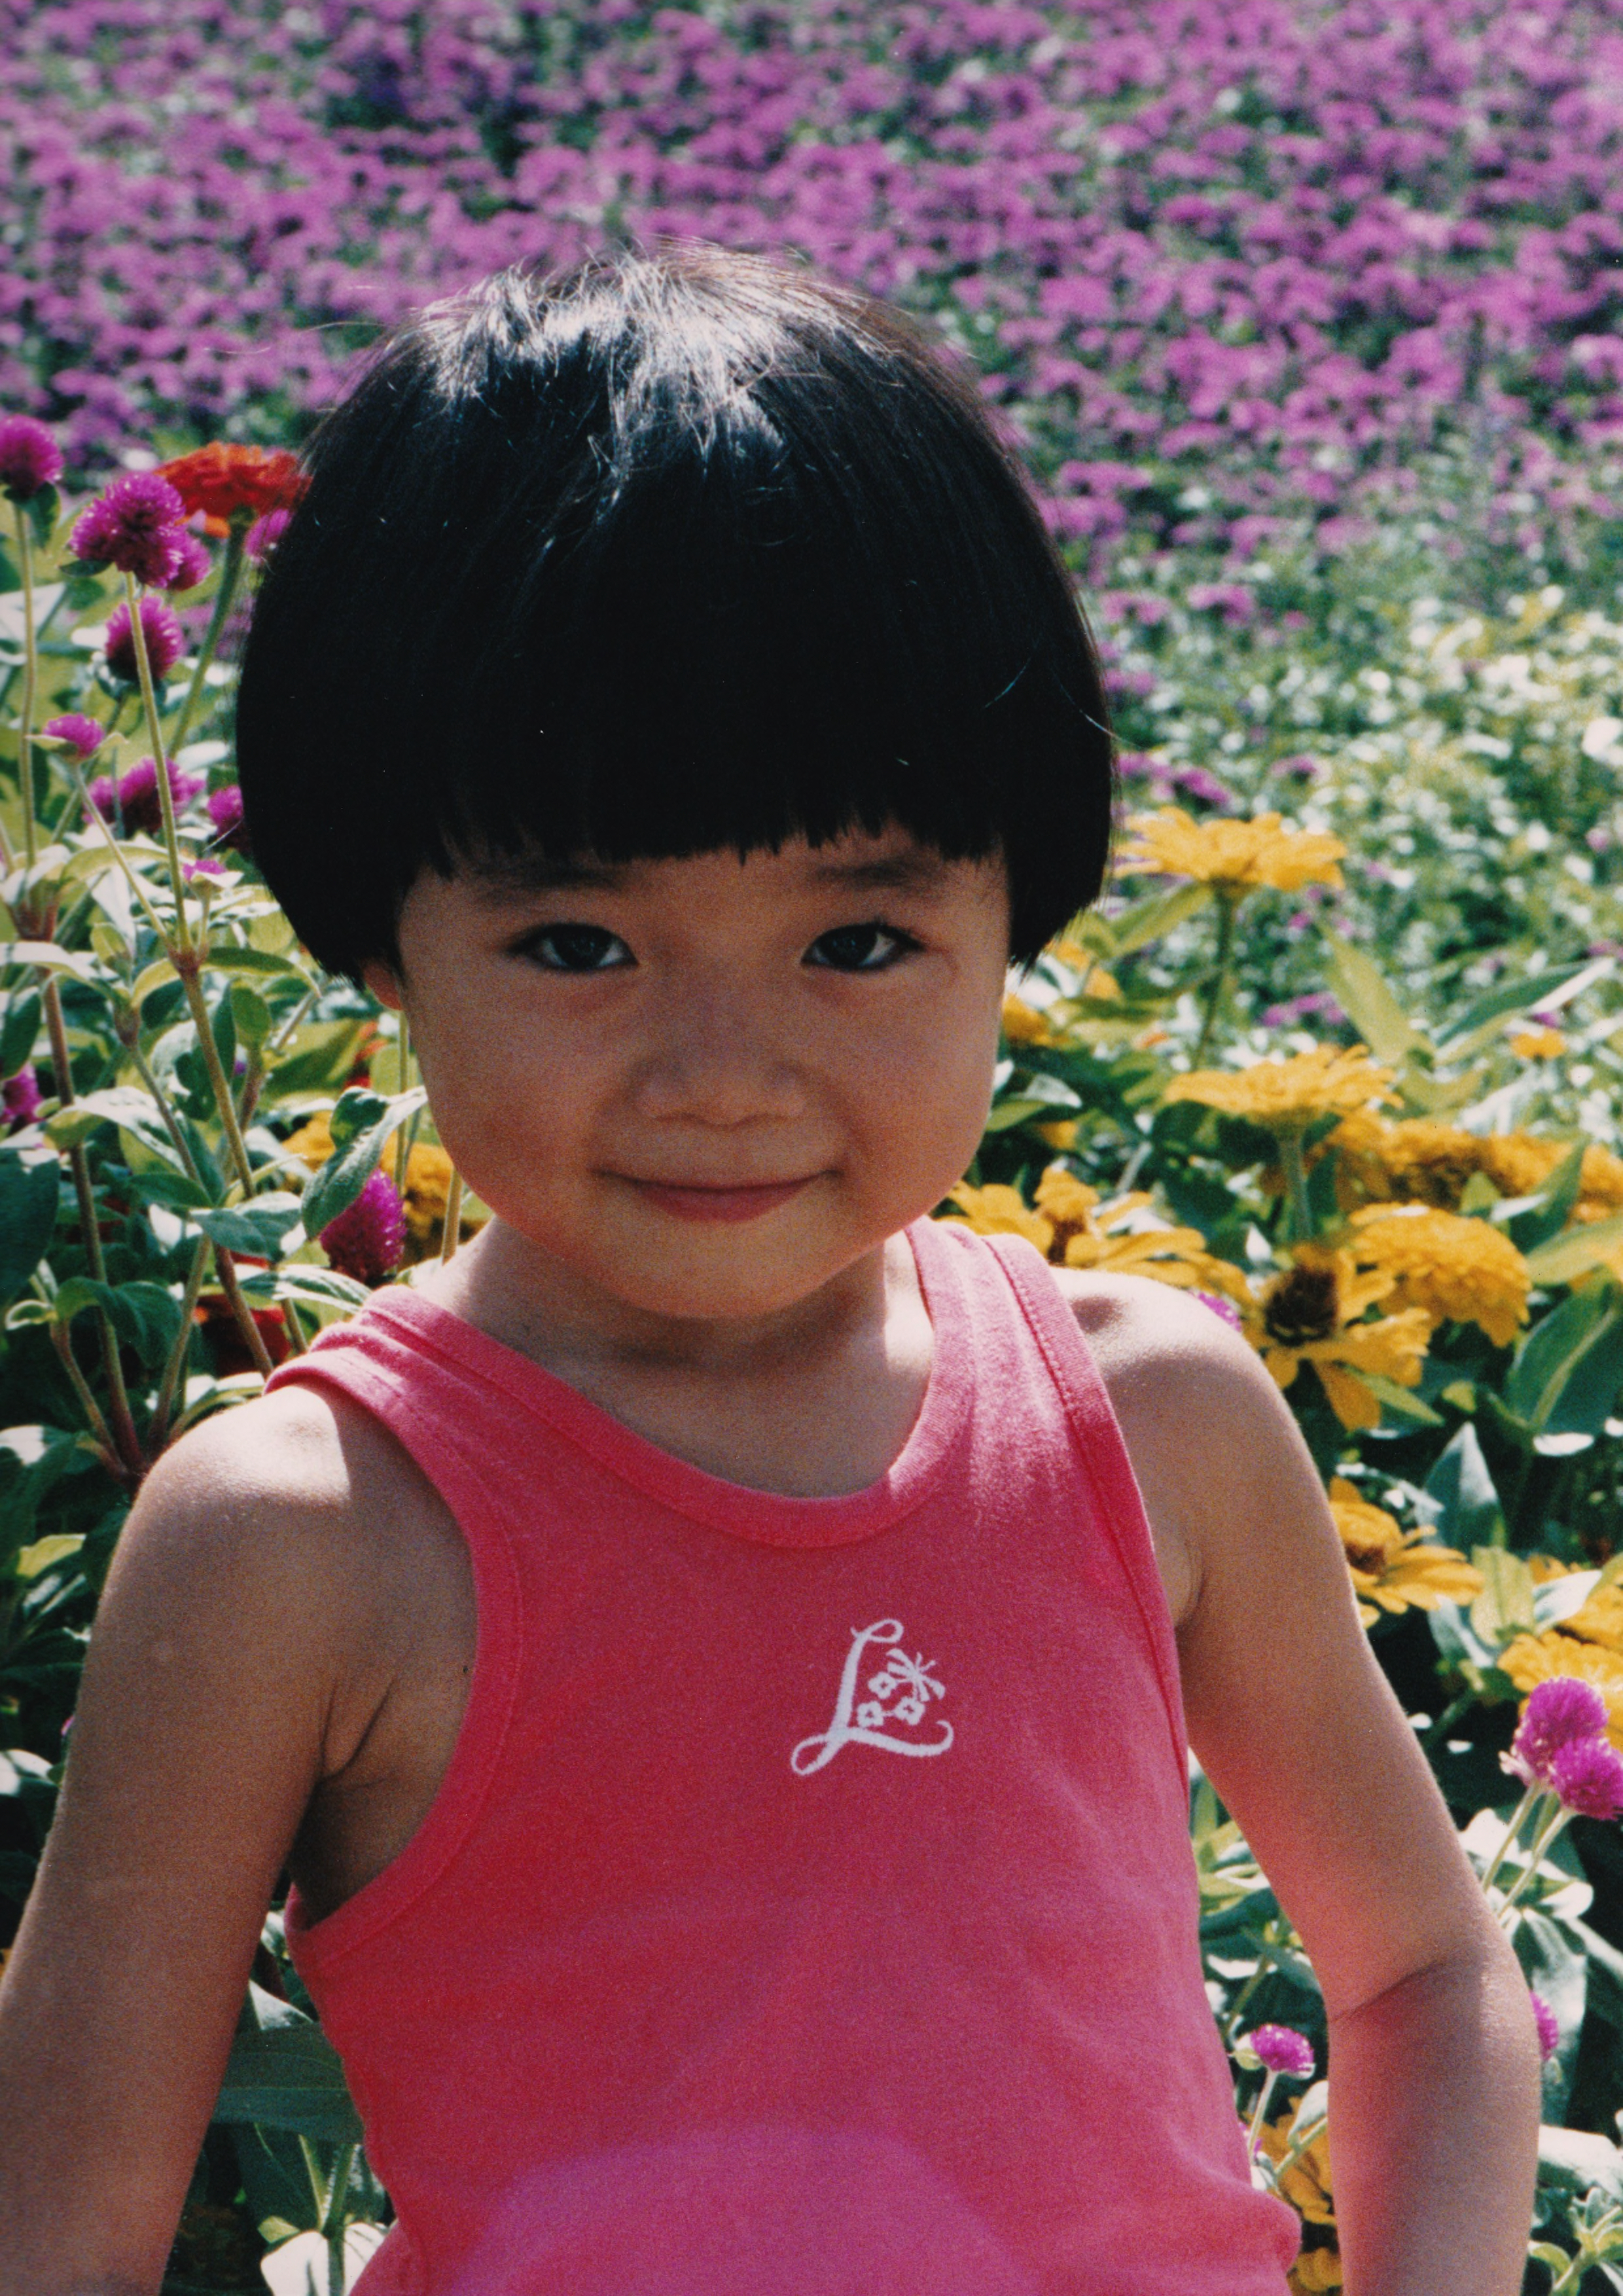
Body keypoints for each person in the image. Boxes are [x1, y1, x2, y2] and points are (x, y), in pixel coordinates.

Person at [0, 242, 1537, 2296]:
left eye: (857, 941)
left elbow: (1429, 1967)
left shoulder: (1152, 1419)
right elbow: (61, 2229)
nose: (724, 1079)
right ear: (377, 937)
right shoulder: (303, 1540)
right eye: (577, 943)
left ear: (1019, 925)